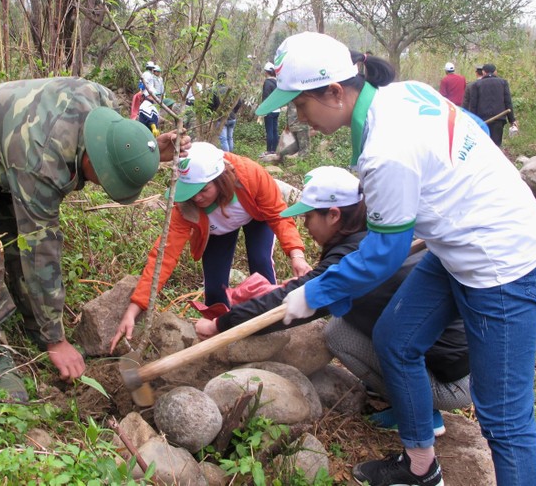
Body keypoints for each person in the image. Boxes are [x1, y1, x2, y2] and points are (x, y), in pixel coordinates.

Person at [256, 32, 536, 486]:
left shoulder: (385, 151)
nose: (299, 117)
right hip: (456, 248)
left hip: (502, 264)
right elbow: (471, 123)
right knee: (395, 339)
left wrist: (312, 295)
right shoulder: (402, 93)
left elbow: (382, 255)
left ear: (335, 92)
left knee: (505, 420)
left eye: (300, 105)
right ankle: (420, 467)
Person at [0, 77, 190, 400]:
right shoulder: (43, 162)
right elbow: (41, 251)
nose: (102, 185)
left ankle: (33, 324)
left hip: (4, 157)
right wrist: (56, 339)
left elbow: (119, 142)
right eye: (105, 179)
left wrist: (148, 150)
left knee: (13, 233)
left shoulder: (102, 103)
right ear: (93, 160)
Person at [194, 167, 471, 436]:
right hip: (468, 360)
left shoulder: (352, 261)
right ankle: (392, 387)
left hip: (453, 382)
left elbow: (283, 307)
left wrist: (222, 323)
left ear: (334, 215)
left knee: (338, 333)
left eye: (309, 217)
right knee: (348, 317)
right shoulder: (384, 234)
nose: (305, 225)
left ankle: (419, 412)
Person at [110, 141, 313, 352]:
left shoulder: (251, 175)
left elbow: (277, 215)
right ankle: (218, 338)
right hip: (217, 231)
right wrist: (136, 307)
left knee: (261, 263)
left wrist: (296, 255)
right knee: (215, 288)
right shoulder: (186, 206)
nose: (197, 197)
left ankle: (268, 328)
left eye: (203, 189)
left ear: (220, 178)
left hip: (257, 218)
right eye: (190, 191)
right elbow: (165, 254)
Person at [468, 63, 517, 147]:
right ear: (495, 72)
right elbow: (508, 102)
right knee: (496, 145)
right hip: (498, 118)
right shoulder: (503, 82)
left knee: (483, 144)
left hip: (482, 120)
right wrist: (512, 120)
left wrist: (473, 121)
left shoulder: (476, 85)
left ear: (483, 72)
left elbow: (473, 104)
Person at [261, 62, 280, 156]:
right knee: (275, 130)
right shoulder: (278, 82)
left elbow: (265, 98)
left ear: (266, 72)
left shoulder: (267, 83)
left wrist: (263, 110)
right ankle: (275, 149)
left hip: (269, 110)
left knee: (269, 131)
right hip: (277, 110)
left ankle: (269, 150)